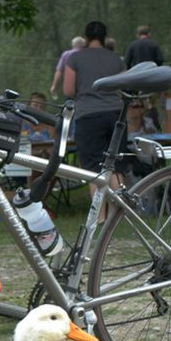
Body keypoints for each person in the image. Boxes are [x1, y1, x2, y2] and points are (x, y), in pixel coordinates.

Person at [63, 21, 125, 220]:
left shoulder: (75, 58)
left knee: (92, 167)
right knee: (115, 165)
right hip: (116, 114)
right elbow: (125, 87)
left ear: (86, 36)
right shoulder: (116, 59)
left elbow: (68, 90)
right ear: (106, 37)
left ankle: (100, 217)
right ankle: (119, 215)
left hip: (88, 115)